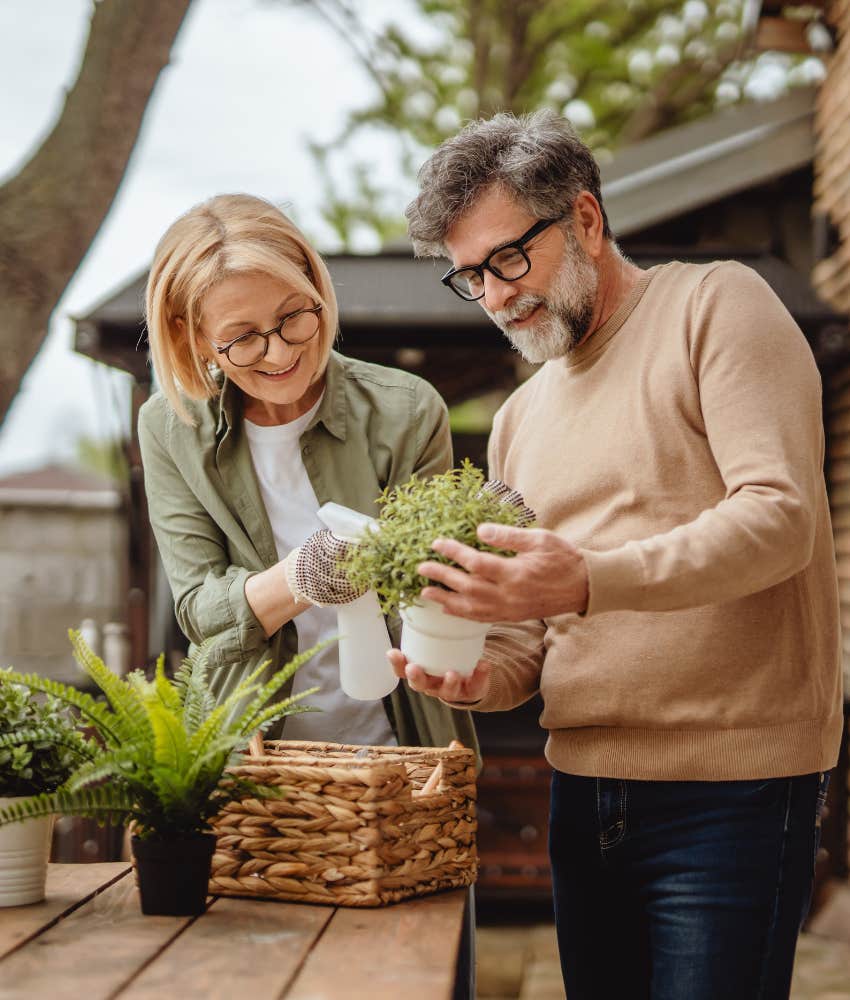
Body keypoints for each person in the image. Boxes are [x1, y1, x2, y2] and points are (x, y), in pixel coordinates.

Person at [390, 109, 843, 999]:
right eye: (470, 276)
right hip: (583, 792)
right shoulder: (521, 417)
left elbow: (780, 515)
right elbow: (535, 629)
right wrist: (486, 678)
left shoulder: (717, 306)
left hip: (731, 793)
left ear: (586, 222)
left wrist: (593, 577)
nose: (495, 296)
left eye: (508, 259)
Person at [138, 192, 476, 755]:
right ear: (195, 337)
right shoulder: (170, 428)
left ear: (315, 286)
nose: (278, 354)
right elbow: (198, 609)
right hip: (245, 761)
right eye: (243, 337)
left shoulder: (407, 410)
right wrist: (300, 577)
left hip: (402, 754)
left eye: (293, 315)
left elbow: (438, 594)